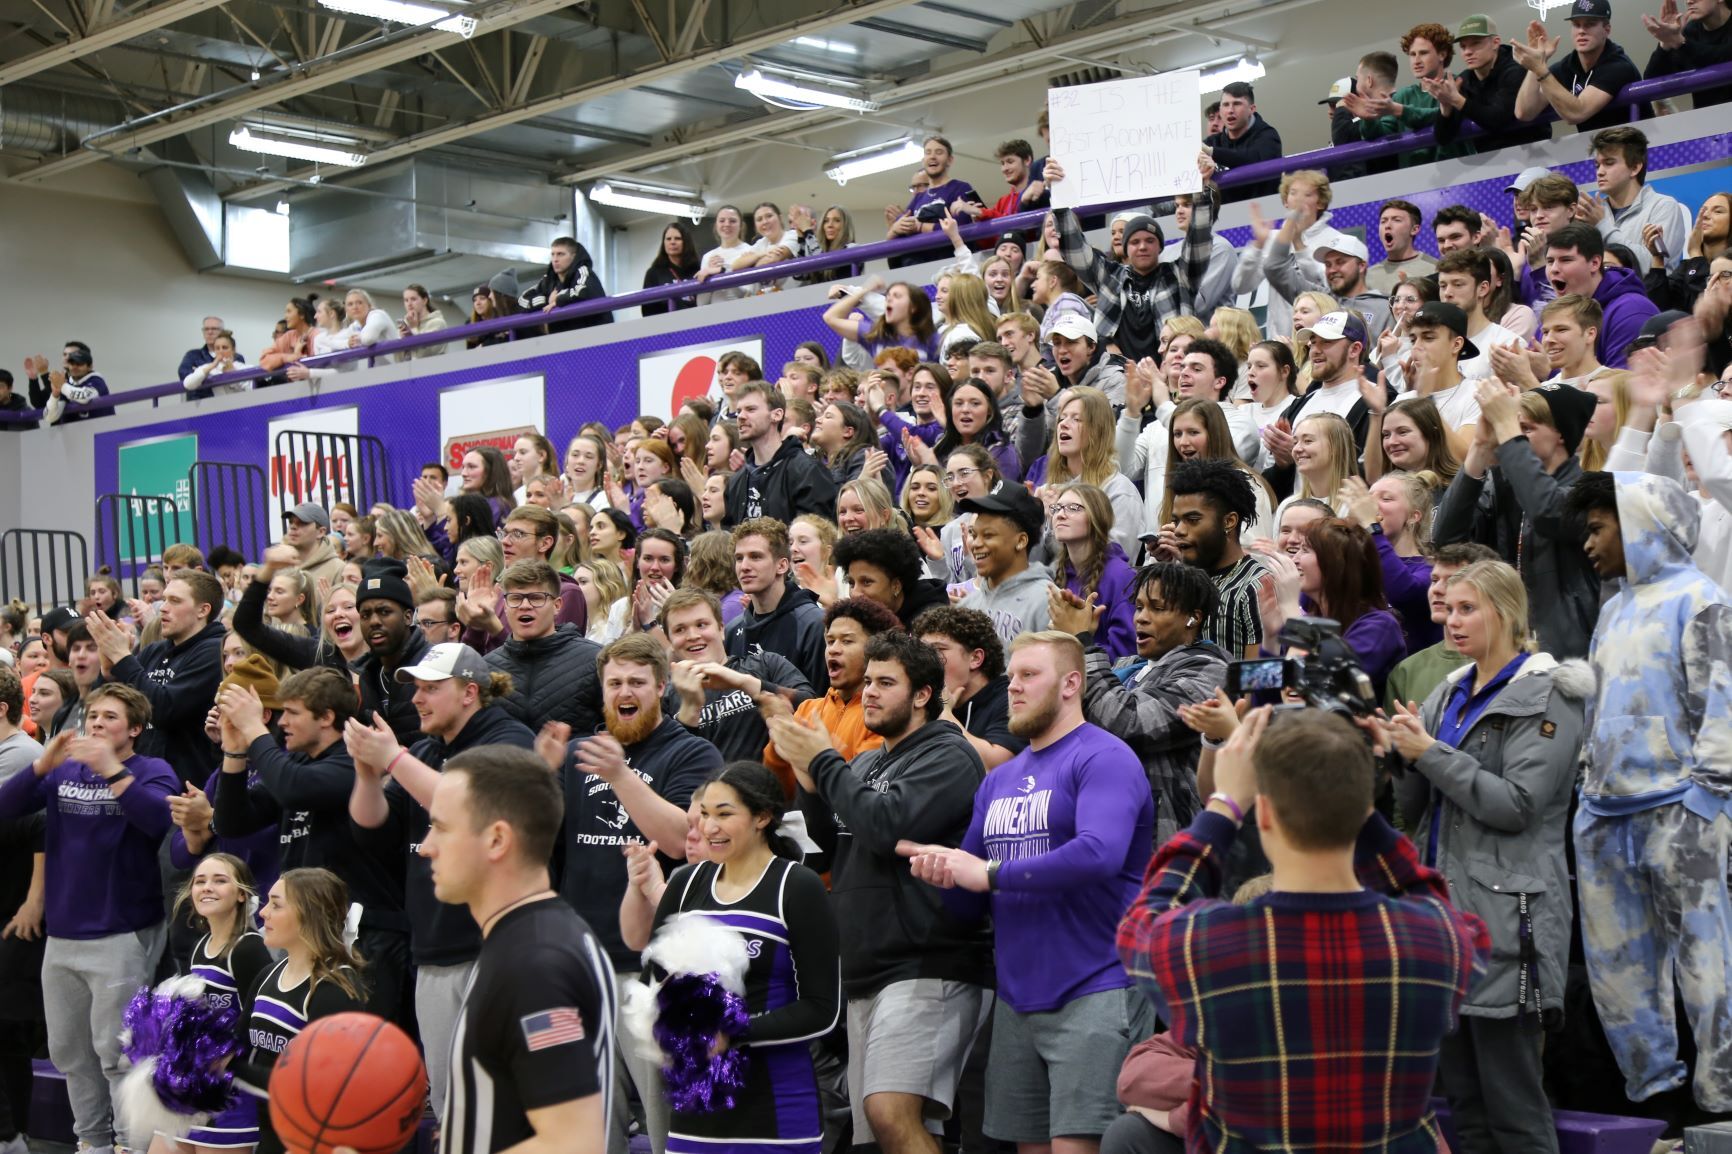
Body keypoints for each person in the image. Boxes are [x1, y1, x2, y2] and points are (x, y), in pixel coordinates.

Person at [1117, 706, 1490, 1154]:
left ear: (1266, 814)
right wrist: (1360, 807)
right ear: (1363, 812)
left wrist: (1224, 805)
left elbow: (1145, 920)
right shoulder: (1434, 941)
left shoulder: (1209, 947)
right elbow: (1432, 898)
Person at [899, 632, 1155, 1154]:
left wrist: (988, 874)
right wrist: (942, 870)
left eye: (1029, 675)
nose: (1013, 687)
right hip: (1018, 995)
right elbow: (969, 897)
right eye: (1011, 676)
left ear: (1071, 684)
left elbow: (1098, 853)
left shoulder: (1105, 757)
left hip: (1098, 984)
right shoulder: (999, 780)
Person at [1380, 559, 1586, 1154]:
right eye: (1448, 607)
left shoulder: (1550, 693)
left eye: (1468, 608)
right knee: (1465, 1111)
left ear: (1509, 612)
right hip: (1447, 920)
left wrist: (1430, 754)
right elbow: (1418, 810)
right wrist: (1402, 752)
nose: (1452, 619)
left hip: (1508, 921)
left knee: (1514, 1109)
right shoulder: (1448, 691)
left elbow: (1518, 804)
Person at [762, 630, 988, 1154]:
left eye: (887, 683)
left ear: (923, 695)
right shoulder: (865, 764)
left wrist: (823, 762)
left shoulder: (949, 756)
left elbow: (885, 825)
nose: (870, 692)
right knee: (876, 1135)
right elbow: (828, 838)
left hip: (928, 961)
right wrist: (804, 767)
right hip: (866, 963)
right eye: (868, 681)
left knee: (890, 1113)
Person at [1562, 471, 1732, 1114]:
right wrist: (1587, 781)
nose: (1589, 544)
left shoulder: (1702, 600)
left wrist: (1709, 799)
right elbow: (1604, 706)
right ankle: (1651, 1089)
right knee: (1616, 966)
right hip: (1605, 810)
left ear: (1642, 527)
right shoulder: (1613, 608)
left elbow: (1724, 703)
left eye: (1600, 528)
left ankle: (1722, 1095)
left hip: (1678, 810)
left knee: (1706, 957)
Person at [344, 640, 536, 1121]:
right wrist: (367, 775)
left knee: (499, 1101)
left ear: (469, 692)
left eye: (431, 688)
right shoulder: (427, 749)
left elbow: (471, 811)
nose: (417, 699)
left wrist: (394, 761)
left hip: (493, 948)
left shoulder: (509, 741)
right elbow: (372, 831)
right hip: (431, 945)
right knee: (449, 1103)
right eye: (416, 689)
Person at [0, 684, 176, 1154]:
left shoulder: (152, 770)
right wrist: (42, 764)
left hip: (121, 931)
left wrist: (113, 772)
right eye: (93, 715)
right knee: (71, 1055)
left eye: (111, 717)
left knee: (117, 1053)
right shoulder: (65, 771)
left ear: (135, 729)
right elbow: (5, 808)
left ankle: (128, 1146)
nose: (96, 723)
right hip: (62, 934)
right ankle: (92, 1144)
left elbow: (160, 823)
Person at [421, 746, 616, 1154]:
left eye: (440, 827)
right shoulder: (532, 937)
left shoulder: (536, 963)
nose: (426, 846)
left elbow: (573, 1144)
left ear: (496, 839)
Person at [644, 763, 840, 1154]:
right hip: (696, 1108)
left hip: (776, 1108)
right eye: (704, 815)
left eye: (724, 814)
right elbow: (652, 979)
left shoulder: (795, 886)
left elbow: (822, 1010)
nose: (708, 828)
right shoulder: (685, 884)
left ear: (762, 817)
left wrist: (732, 1032)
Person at [211, 667, 409, 1025]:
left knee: (357, 1056)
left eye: (292, 712)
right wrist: (235, 752)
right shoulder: (299, 765)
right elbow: (231, 822)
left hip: (365, 937)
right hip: (311, 934)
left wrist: (256, 729)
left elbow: (295, 788)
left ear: (327, 717)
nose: (282, 721)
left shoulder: (356, 761)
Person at [544, 632, 721, 977]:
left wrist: (620, 776)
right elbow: (539, 839)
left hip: (651, 953)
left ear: (660, 688)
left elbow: (679, 842)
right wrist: (539, 775)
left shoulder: (693, 752)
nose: (624, 692)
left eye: (637, 682)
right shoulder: (577, 752)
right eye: (615, 683)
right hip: (578, 950)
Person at [1056, 562, 1228, 847]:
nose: (1141, 618)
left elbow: (1126, 722)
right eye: (1138, 607)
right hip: (1101, 827)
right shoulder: (1126, 667)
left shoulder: (1208, 672)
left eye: (1157, 609)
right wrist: (1064, 645)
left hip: (1163, 843)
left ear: (1192, 619)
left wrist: (1083, 645)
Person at [1435, 381, 1602, 658]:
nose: (1511, 437)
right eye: (1513, 428)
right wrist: (1478, 447)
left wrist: (1510, 434)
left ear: (1561, 433)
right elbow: (1446, 542)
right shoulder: (1501, 488)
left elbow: (1547, 512)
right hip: (1507, 652)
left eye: (1526, 429)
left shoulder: (1592, 492)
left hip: (1570, 658)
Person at [229, 868, 368, 1154]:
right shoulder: (268, 975)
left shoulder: (335, 990)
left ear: (310, 915)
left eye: (276, 905)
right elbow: (239, 1044)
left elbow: (312, 1087)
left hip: (314, 1138)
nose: (264, 913)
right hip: (269, 1130)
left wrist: (227, 1067)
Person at [1045, 163, 1217, 365]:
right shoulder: (1110, 276)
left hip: (1171, 375)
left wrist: (1204, 191)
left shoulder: (1180, 275)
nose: (1142, 246)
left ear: (1160, 247)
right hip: (1117, 377)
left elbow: (1199, 239)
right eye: (1135, 242)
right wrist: (1059, 197)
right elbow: (1075, 250)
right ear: (1125, 249)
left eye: (1150, 241)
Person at [165, 852, 272, 1154]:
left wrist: (221, 1053)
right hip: (195, 1081)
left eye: (219, 880)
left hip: (230, 1089)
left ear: (241, 894)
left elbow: (258, 1023)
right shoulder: (201, 945)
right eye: (200, 881)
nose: (207, 887)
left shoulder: (248, 949)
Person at [84, 568, 226, 783]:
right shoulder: (154, 651)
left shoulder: (215, 651)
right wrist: (107, 672)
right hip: (140, 778)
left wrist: (122, 656)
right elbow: (109, 708)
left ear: (202, 610)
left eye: (175, 601)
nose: (163, 609)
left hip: (188, 784)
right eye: (165, 599)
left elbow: (163, 710)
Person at [762, 597, 900, 798]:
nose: (833, 649)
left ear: (876, 650)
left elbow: (855, 785)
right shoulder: (807, 710)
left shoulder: (883, 712)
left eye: (847, 641)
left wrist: (808, 747)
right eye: (830, 641)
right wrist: (779, 739)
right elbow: (774, 793)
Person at [665, 588, 812, 762]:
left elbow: (813, 707)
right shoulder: (665, 697)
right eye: (680, 630)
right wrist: (689, 709)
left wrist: (744, 683)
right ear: (670, 642)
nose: (693, 636)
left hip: (765, 785)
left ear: (721, 629)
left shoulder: (766, 664)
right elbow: (668, 766)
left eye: (701, 625)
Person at [1159, 459, 1268, 658]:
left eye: (1192, 520)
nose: (1180, 530)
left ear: (1229, 521)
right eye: (1176, 521)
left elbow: (1260, 683)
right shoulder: (1182, 584)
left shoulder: (1255, 587)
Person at [912, 606, 1025, 771]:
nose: (925, 661)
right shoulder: (927, 703)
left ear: (975, 658)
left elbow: (998, 764)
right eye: (922, 652)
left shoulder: (1009, 696)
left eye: (938, 650)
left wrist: (945, 716)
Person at [726, 518, 828, 694]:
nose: (744, 567)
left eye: (755, 557)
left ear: (782, 565)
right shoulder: (732, 629)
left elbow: (821, 700)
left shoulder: (814, 624)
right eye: (739, 558)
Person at [1513, 0, 1643, 132]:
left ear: (1606, 29)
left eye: (1590, 24)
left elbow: (1577, 112)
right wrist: (1537, 63)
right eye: (1576, 24)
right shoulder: (1567, 66)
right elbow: (1524, 112)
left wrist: (1540, 69)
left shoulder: (1619, 66)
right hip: (1599, 148)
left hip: (1638, 148)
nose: (1581, 31)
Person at [723, 383, 839, 527]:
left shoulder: (807, 471)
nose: (740, 416)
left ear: (777, 415)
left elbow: (816, 535)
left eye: (751, 409)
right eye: (739, 411)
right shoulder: (736, 481)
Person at [1583, 127, 1693, 275]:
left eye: (1609, 163)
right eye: (1597, 165)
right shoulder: (1595, 214)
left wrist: (1602, 225)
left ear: (1635, 168)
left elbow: (1651, 267)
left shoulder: (1663, 206)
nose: (1600, 172)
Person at [1049, 483, 1138, 661]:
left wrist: (1080, 640)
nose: (1060, 514)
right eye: (1056, 508)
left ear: (1097, 517)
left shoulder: (1121, 576)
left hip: (1105, 680)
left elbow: (1127, 654)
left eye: (1073, 508)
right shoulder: (1059, 573)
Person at [955, 485, 1052, 646]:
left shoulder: (1047, 603)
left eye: (988, 535)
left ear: (1021, 541)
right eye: (974, 534)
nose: (976, 544)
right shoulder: (967, 604)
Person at [353, 572, 431, 744]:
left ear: (408, 617)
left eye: (385, 612)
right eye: (365, 615)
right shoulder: (366, 676)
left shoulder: (433, 664)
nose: (374, 621)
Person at [831, 528, 949, 632]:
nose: (855, 593)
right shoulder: (865, 620)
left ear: (896, 586)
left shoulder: (932, 623)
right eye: (851, 583)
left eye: (866, 582)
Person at [1642, 0, 1732, 108]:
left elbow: (1723, 56)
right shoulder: (1691, 30)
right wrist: (1666, 42)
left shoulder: (1684, 41)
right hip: (1708, 118)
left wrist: (1679, 42)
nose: (1689, 1)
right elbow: (1652, 79)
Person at [1201, 81, 1283, 198]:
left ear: (1252, 109)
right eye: (1225, 105)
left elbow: (1253, 159)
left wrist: (1212, 152)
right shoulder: (1212, 141)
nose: (1230, 110)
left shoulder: (1268, 136)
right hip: (1225, 213)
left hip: (1264, 211)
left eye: (1237, 104)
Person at [519, 236, 613, 331]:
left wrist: (558, 299)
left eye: (560, 254)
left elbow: (582, 291)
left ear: (573, 256)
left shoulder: (583, 272)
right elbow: (523, 300)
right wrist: (547, 301)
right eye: (553, 254)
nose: (555, 259)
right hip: (564, 340)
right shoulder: (549, 280)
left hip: (597, 337)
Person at [35, 342, 113, 425]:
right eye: (72, 363)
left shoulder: (96, 380)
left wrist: (62, 386)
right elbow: (50, 418)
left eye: (79, 363)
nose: (75, 367)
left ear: (90, 366)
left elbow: (84, 397)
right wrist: (55, 395)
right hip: (78, 435)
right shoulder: (67, 384)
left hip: (103, 434)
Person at [280, 501, 346, 587]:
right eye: (291, 522)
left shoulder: (339, 569)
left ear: (321, 532)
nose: (293, 527)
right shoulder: (280, 566)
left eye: (302, 522)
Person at [642, 220, 700, 315]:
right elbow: (648, 310)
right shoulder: (653, 273)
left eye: (677, 238)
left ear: (686, 242)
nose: (672, 242)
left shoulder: (698, 269)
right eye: (668, 239)